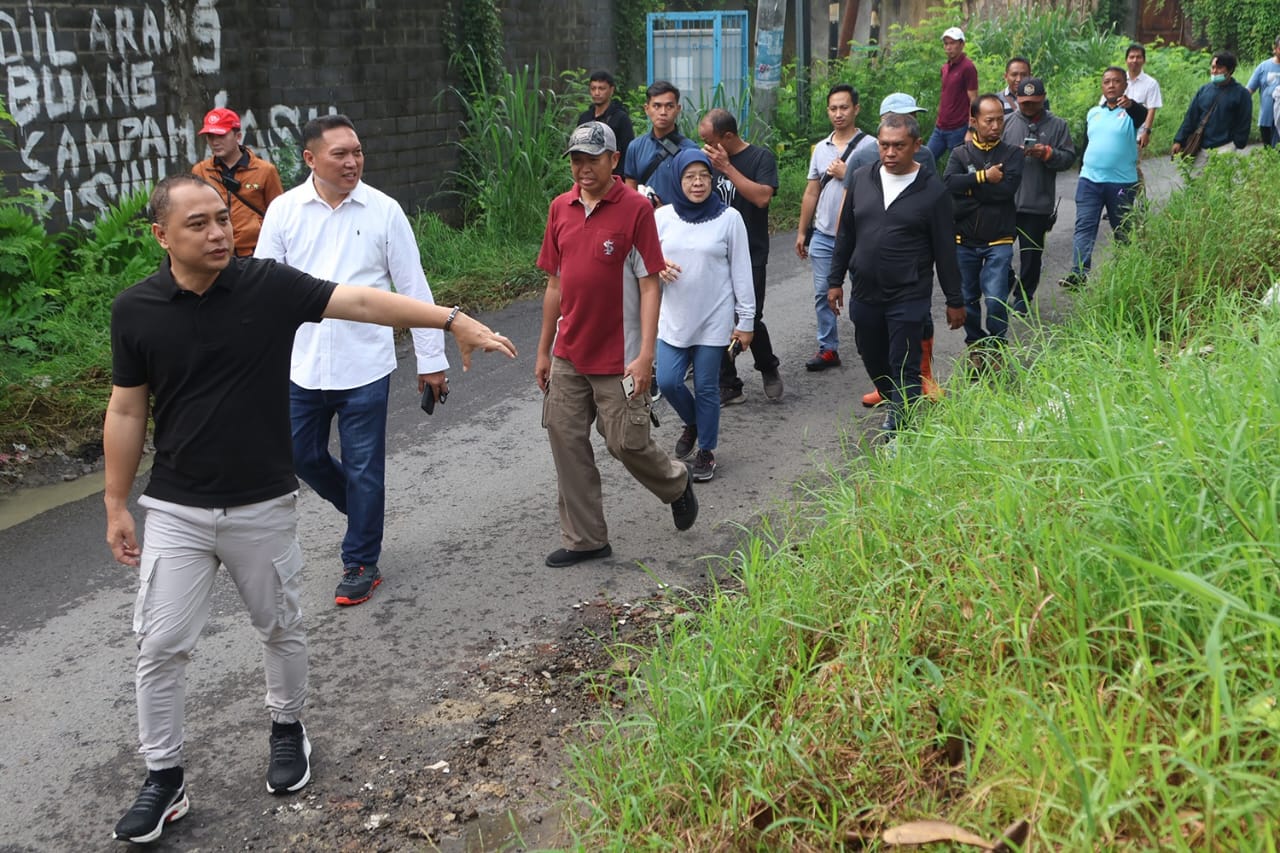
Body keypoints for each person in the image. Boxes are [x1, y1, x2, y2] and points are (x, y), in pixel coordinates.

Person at [105, 174, 514, 845]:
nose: (217, 234)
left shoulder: (265, 285)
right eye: (198, 225)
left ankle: (288, 727)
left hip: (261, 500)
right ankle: (163, 775)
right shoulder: (137, 310)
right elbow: (127, 405)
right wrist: (115, 500)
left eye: (220, 220)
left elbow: (358, 299)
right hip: (177, 505)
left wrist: (449, 318)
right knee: (159, 645)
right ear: (161, 236)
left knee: (281, 627)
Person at [255, 115, 447, 607]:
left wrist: (431, 359)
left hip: (366, 364)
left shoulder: (384, 211)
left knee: (364, 467)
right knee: (302, 456)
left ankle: (360, 558)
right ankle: (366, 514)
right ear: (310, 159)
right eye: (339, 153)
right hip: (301, 365)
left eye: (357, 151)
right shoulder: (283, 211)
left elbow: (413, 288)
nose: (352, 161)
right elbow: (262, 288)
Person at [535, 121, 699, 569]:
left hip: (620, 356)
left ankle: (675, 483)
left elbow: (650, 284)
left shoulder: (634, 210)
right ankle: (586, 539)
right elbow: (555, 284)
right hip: (570, 352)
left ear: (613, 160)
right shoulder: (560, 208)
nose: (583, 168)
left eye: (593, 159)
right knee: (565, 440)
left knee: (626, 442)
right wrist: (544, 350)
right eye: (576, 159)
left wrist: (646, 354)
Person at [827, 113, 965, 437]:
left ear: (917, 145)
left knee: (903, 361)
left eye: (898, 146)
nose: (889, 153)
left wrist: (955, 300)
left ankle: (901, 431)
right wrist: (834, 281)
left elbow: (945, 251)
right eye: (884, 145)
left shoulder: (933, 192)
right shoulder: (862, 178)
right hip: (865, 291)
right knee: (871, 354)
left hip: (908, 293)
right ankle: (896, 402)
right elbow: (846, 233)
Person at [653, 150, 755, 481]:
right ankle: (695, 422)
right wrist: (658, 266)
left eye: (704, 176)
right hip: (673, 316)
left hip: (714, 316)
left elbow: (742, 271)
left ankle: (706, 449)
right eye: (689, 176)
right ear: (677, 180)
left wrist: (746, 321)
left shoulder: (729, 219)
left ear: (713, 180)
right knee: (668, 380)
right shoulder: (662, 218)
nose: (697, 182)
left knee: (707, 386)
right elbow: (642, 264)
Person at [844, 92, 944, 408]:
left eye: (913, 115)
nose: (891, 152)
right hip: (870, 265)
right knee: (873, 334)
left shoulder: (923, 155)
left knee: (913, 327)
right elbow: (849, 210)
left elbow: (931, 205)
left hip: (910, 267)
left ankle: (918, 380)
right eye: (903, 115)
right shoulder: (861, 159)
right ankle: (887, 386)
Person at [698, 107, 783, 405]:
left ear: (729, 136)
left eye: (710, 140)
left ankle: (768, 366)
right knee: (717, 317)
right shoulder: (706, 161)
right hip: (714, 252)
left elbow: (761, 197)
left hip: (751, 252)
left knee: (750, 316)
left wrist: (727, 168)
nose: (706, 147)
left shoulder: (760, 158)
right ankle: (729, 383)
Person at [794, 84, 878, 372]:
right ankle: (828, 348)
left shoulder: (873, 146)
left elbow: (880, 190)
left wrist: (848, 175)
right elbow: (811, 191)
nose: (839, 114)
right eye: (833, 108)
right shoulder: (820, 149)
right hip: (825, 234)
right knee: (823, 292)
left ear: (856, 108)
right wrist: (803, 231)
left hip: (861, 236)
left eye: (844, 107)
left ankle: (869, 342)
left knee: (863, 293)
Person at [944, 94, 1024, 357]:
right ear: (974, 121)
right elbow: (947, 185)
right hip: (963, 241)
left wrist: (968, 187)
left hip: (999, 240)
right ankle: (977, 345)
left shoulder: (1012, 154)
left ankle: (997, 346)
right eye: (989, 120)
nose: (995, 126)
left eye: (1000, 120)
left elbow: (1005, 192)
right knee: (967, 298)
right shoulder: (960, 153)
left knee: (995, 299)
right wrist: (984, 177)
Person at [1061, 67, 1148, 290]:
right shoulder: (1094, 113)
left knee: (1123, 229)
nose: (1111, 85)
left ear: (1124, 85)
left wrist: (1131, 105)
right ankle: (1078, 274)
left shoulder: (1131, 114)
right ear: (1102, 86)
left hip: (1121, 183)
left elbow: (1142, 114)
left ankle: (1124, 272)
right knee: (1084, 227)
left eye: (1116, 81)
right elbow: (1087, 145)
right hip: (1090, 181)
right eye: (1107, 81)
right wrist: (1081, 171)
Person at [1001, 77, 1076, 312]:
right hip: (1007, 201)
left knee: (1031, 255)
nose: (1029, 106)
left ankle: (1024, 296)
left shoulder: (1058, 125)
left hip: (1038, 201)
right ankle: (1007, 281)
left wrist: (1048, 154)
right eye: (1024, 102)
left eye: (1033, 102)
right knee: (997, 252)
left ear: (1043, 99)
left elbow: (1069, 158)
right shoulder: (1006, 123)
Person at [191, 107, 283, 256]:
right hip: (216, 250)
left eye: (221, 136)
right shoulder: (200, 171)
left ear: (238, 136)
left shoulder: (264, 170)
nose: (215, 142)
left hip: (255, 252)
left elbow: (279, 214)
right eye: (210, 136)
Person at [623, 80, 698, 206]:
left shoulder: (690, 150)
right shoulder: (635, 147)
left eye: (669, 106)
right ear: (647, 109)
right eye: (656, 106)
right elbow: (630, 189)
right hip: (644, 219)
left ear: (678, 109)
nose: (663, 112)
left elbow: (696, 193)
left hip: (679, 221)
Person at [1172, 50, 1252, 166]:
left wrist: (1236, 143)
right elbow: (1191, 117)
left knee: (1219, 182)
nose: (1214, 71)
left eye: (1219, 68)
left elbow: (1244, 121)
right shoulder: (1204, 90)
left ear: (1230, 70)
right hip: (1201, 147)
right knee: (1195, 181)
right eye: (1213, 67)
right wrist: (1179, 140)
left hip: (1225, 147)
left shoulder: (1241, 94)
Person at [926, 27, 979, 164]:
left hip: (958, 129)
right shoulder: (945, 67)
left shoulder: (968, 68)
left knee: (958, 168)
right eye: (946, 43)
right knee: (925, 161)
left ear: (961, 44)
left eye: (952, 43)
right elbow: (946, 94)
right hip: (940, 128)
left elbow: (974, 99)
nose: (948, 47)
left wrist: (971, 129)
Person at [577, 70, 635, 173]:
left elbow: (628, 153)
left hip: (614, 177)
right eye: (593, 88)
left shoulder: (621, 118)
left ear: (611, 90)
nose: (597, 93)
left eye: (601, 88)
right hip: (588, 175)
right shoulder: (584, 118)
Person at [1116, 44, 1163, 151]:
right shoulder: (1117, 81)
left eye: (1138, 57)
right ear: (1126, 60)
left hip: (1137, 135)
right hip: (1117, 132)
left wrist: (1146, 132)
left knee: (1133, 164)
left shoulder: (1151, 83)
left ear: (1144, 60)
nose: (1135, 60)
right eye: (1131, 57)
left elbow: (1151, 110)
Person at [1246, 37, 1280, 148]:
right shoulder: (1263, 67)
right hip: (1267, 119)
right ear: (1275, 48)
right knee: (1269, 154)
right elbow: (1249, 90)